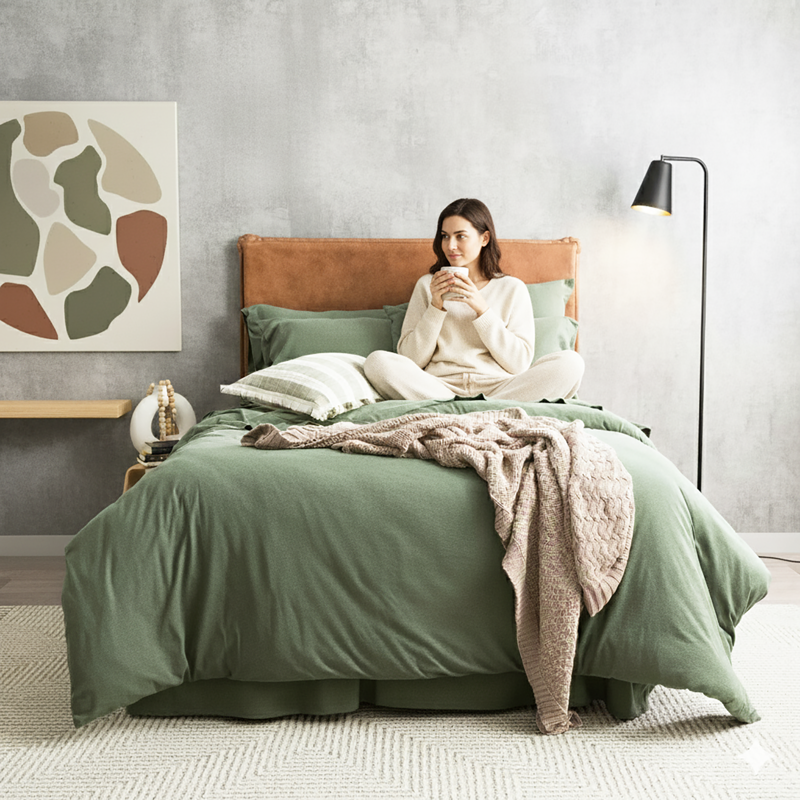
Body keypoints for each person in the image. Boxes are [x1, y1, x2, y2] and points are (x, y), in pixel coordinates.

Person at [364, 198, 585, 403]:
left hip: (500, 389)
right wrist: (436, 307)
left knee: (571, 364)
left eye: (460, 236)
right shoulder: (426, 285)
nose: (450, 245)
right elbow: (410, 360)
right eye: (445, 236)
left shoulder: (512, 288)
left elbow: (519, 363)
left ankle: (475, 410)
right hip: (439, 388)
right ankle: (476, 411)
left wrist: (481, 309)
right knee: (377, 362)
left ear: (484, 239)